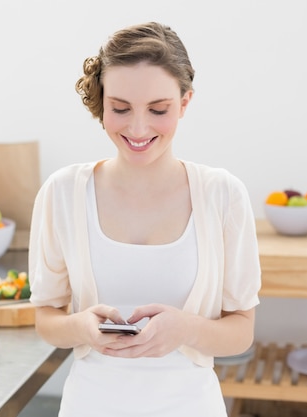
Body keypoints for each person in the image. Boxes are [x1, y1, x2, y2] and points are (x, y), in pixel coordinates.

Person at [28, 21, 261, 417]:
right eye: (120, 108)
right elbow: (46, 317)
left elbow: (241, 330)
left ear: (185, 102)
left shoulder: (223, 195)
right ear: (102, 102)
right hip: (90, 405)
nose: (138, 128)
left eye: (158, 109)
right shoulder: (63, 192)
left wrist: (186, 329)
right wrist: (81, 328)